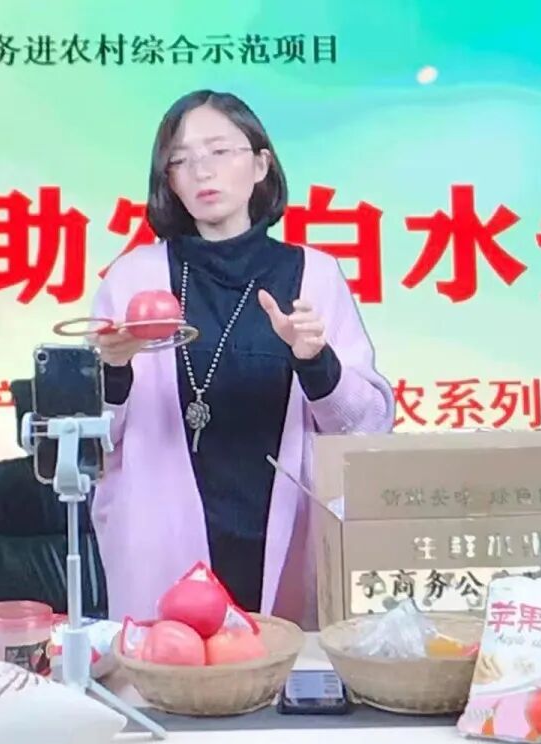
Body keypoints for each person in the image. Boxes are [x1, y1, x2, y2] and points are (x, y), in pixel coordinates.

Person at [89, 89, 394, 629]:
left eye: (219, 151)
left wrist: (316, 363)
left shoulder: (314, 275)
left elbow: (367, 427)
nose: (201, 171)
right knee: (168, 668)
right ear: (168, 181)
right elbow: (94, 441)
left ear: (260, 165)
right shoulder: (132, 278)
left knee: (281, 662)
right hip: (159, 537)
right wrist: (114, 372)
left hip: (286, 532)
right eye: (180, 160)